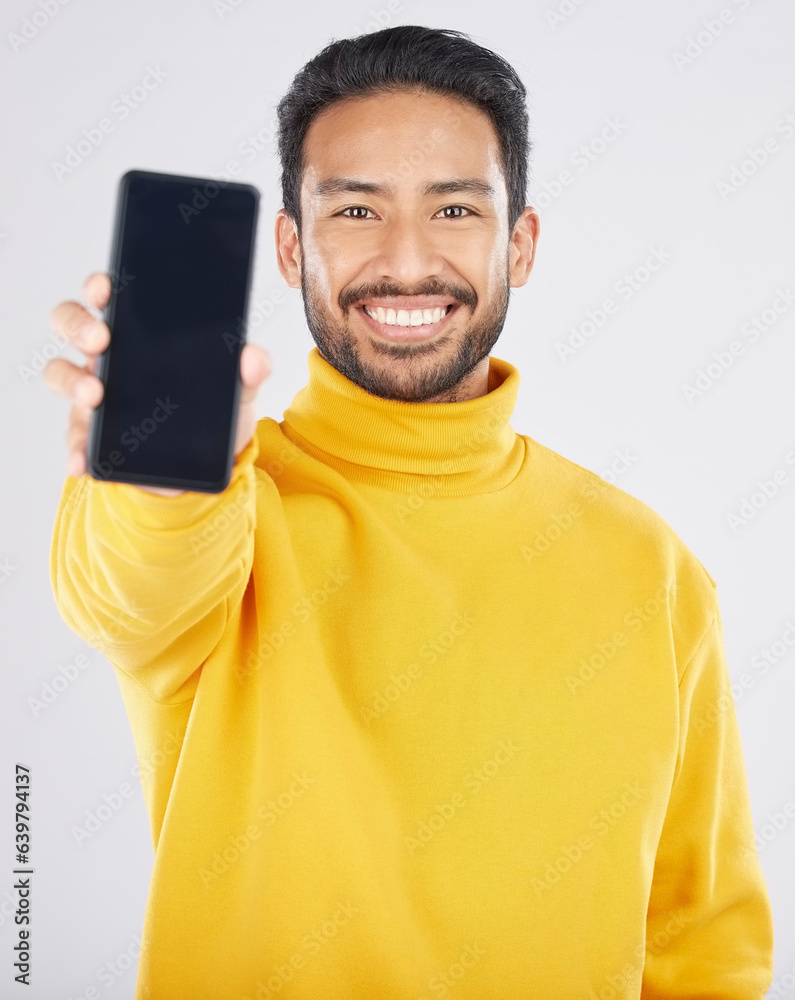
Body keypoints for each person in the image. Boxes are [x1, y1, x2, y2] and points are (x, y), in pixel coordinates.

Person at [46, 24, 774, 1000]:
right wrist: (159, 485)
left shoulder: (656, 569)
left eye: (455, 209)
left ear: (520, 244)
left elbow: (705, 950)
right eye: (355, 209)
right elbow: (132, 590)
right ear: (291, 245)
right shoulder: (220, 516)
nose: (405, 260)